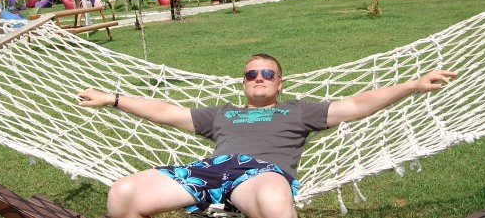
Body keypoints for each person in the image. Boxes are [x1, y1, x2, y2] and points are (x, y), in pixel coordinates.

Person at [77, 54, 456, 218]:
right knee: (122, 193)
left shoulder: (297, 110)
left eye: (267, 74)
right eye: (251, 74)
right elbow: (167, 112)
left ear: (280, 82)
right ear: (243, 82)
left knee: (274, 198)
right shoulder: (222, 113)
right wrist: (113, 99)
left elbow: (355, 105)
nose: (259, 78)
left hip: (260, 173)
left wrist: (411, 85)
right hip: (211, 170)